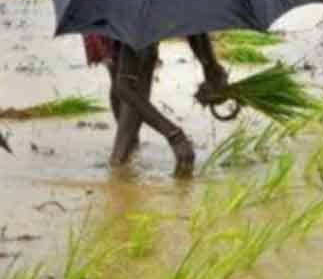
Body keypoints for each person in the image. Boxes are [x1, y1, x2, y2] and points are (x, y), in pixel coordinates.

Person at [83, 32, 229, 177]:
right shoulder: (137, 24)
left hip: (112, 21)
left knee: (120, 64)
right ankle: (119, 165)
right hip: (126, 23)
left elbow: (192, 21)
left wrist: (211, 70)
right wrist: (176, 136)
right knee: (135, 65)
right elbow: (125, 87)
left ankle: (125, 154)